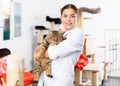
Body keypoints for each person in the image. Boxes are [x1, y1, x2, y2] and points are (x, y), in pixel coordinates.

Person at [37, 4, 85, 86]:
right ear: (61, 18)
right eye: (65, 16)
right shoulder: (60, 32)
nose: (68, 19)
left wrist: (47, 48)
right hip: (45, 79)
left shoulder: (78, 33)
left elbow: (52, 53)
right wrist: (46, 50)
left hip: (61, 81)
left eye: (72, 16)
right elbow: (38, 53)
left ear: (77, 18)